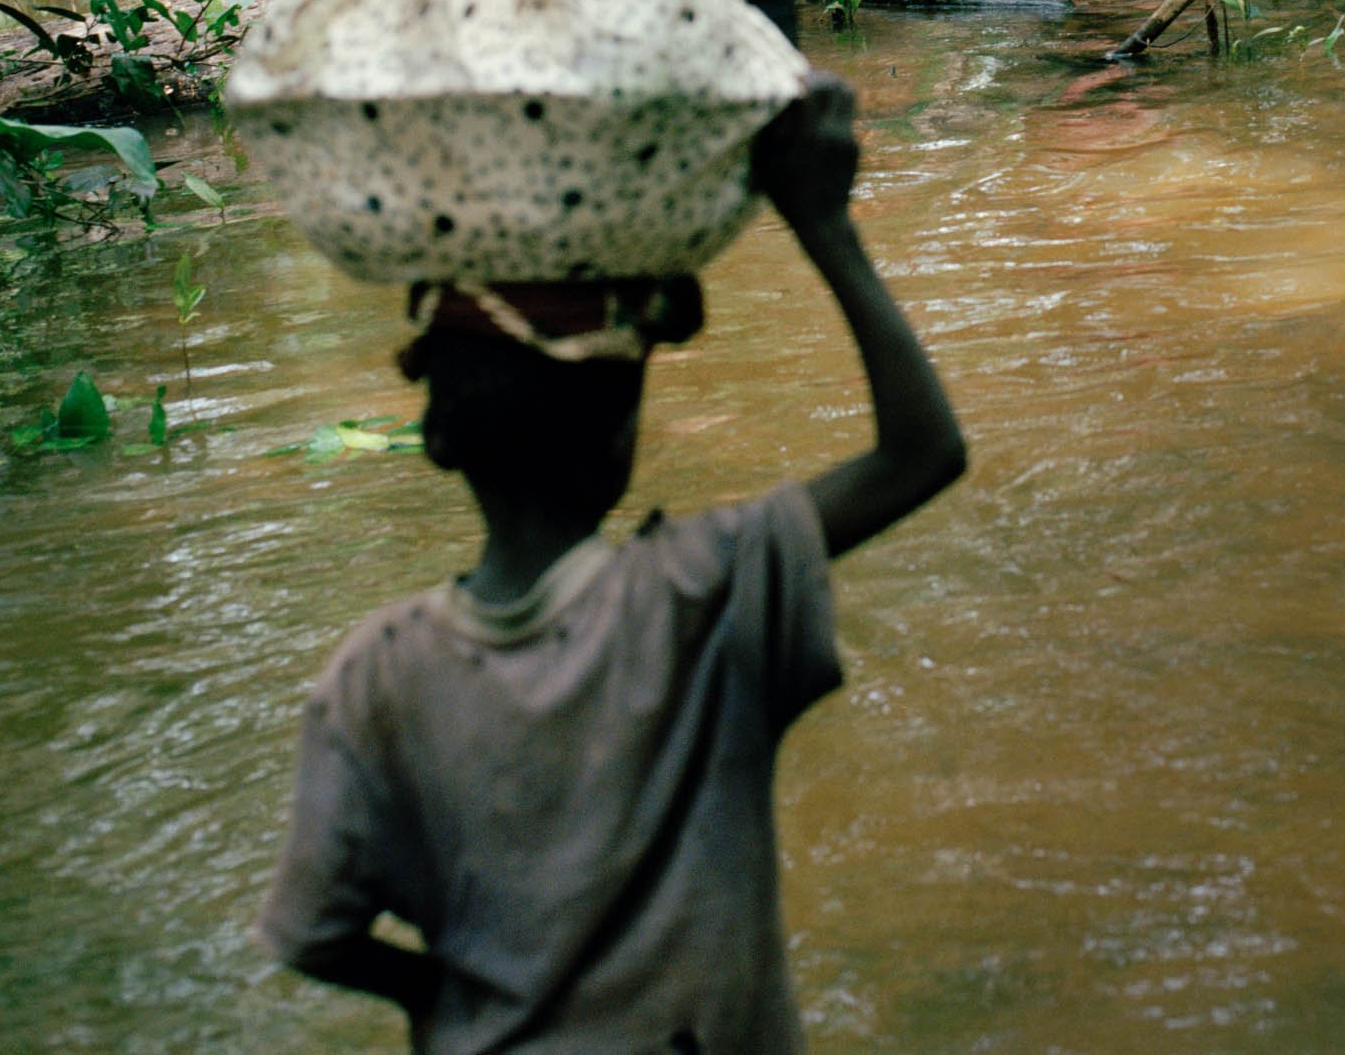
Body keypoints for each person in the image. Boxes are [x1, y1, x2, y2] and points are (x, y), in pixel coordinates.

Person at [252, 60, 966, 1049]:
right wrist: (822, 220)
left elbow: (314, 933)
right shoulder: (701, 590)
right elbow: (923, 449)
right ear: (624, 431)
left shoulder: (371, 677)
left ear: (438, 438)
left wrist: (443, 994)